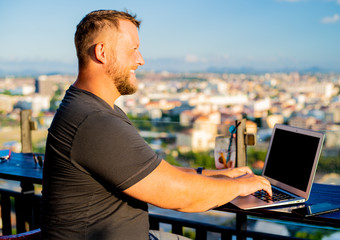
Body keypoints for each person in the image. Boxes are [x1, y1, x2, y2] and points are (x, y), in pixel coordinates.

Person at [40, 9, 272, 240]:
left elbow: (159, 173)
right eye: (133, 50)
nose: (140, 60)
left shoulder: (93, 110)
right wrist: (241, 187)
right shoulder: (94, 121)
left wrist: (222, 176)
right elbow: (181, 195)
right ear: (102, 52)